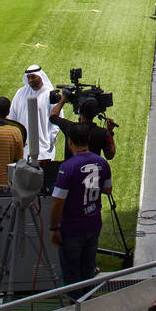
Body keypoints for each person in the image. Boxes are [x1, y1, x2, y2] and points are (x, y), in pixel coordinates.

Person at [48, 123, 112, 286]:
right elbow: (108, 189)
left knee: (71, 276)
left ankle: (75, 308)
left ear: (70, 142)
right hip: (93, 224)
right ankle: (88, 305)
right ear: (88, 140)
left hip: (72, 229)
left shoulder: (67, 167)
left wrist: (54, 228)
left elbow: (58, 201)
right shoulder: (102, 162)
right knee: (88, 270)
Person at [10, 66, 62, 161]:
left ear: (40, 77)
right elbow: (12, 116)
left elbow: (58, 121)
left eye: (33, 77)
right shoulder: (20, 93)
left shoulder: (50, 94)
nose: (30, 80)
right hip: (23, 148)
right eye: (28, 77)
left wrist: (50, 141)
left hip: (44, 149)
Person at [78, 97, 116, 161]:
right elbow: (110, 155)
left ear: (80, 111)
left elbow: (54, 116)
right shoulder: (103, 133)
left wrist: (63, 99)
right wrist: (109, 131)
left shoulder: (70, 127)